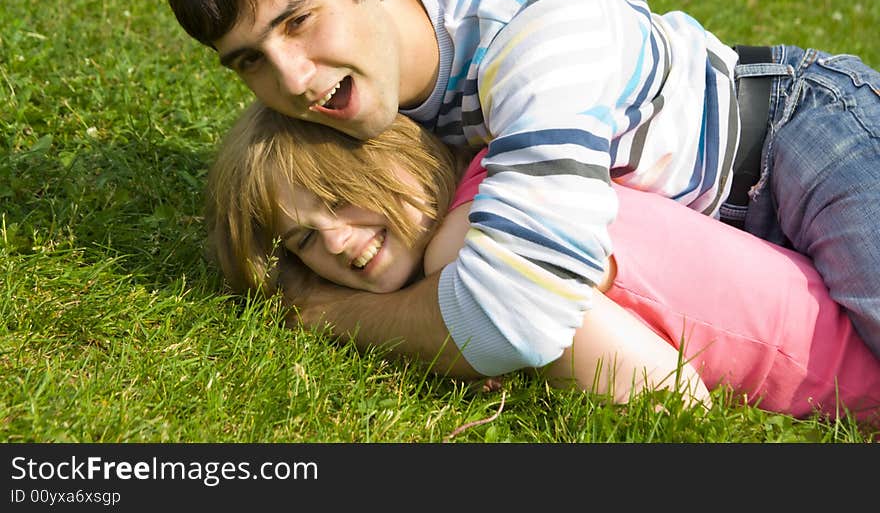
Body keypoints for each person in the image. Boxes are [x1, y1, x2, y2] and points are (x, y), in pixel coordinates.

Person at [165, 0, 880, 381]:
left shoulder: (535, 37)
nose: (290, 80)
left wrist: (329, 313)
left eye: (299, 21)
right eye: (249, 60)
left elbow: (515, 315)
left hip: (801, 134)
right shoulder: (357, 50)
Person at [205, 101, 880, 422]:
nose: (336, 241)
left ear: (398, 159)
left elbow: (674, 401)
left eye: (339, 197)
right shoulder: (511, 169)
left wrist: (336, 316)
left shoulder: (476, 242)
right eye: (302, 240)